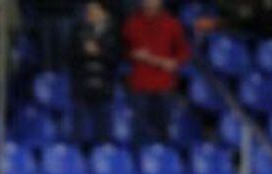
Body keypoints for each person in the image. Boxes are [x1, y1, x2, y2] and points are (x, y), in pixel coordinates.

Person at [122, 0, 190, 143]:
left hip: (164, 85)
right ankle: (139, 161)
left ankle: (164, 159)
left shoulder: (172, 24)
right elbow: (121, 51)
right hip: (140, 84)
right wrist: (132, 54)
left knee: (163, 129)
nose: (150, 2)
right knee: (138, 130)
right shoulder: (132, 23)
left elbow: (183, 52)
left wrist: (175, 62)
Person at [70, 1, 119, 143]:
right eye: (89, 11)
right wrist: (84, 52)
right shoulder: (78, 31)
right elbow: (69, 57)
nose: (90, 14)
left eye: (95, 11)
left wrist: (99, 52)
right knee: (79, 129)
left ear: (105, 14)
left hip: (104, 86)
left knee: (103, 128)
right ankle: (79, 157)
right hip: (82, 86)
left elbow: (116, 58)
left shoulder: (113, 33)